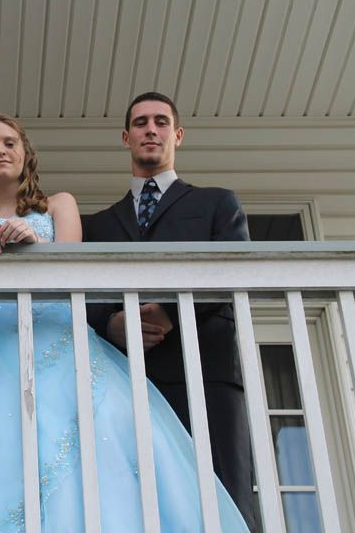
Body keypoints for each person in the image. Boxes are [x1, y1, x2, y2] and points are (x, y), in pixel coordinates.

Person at [0, 113, 248, 531]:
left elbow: (71, 270)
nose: (1, 151)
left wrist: (35, 243)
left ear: (25, 153)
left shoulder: (59, 205)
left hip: (60, 345)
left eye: (10, 142)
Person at [84, 91, 255, 527]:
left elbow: (231, 272)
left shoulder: (217, 202)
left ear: (177, 135)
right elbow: (82, 293)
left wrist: (170, 313)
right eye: (140, 123)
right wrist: (111, 322)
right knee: (137, 505)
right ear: (126, 137)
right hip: (123, 381)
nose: (150, 130)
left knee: (219, 499)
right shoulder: (99, 225)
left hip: (204, 375)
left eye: (161, 122)